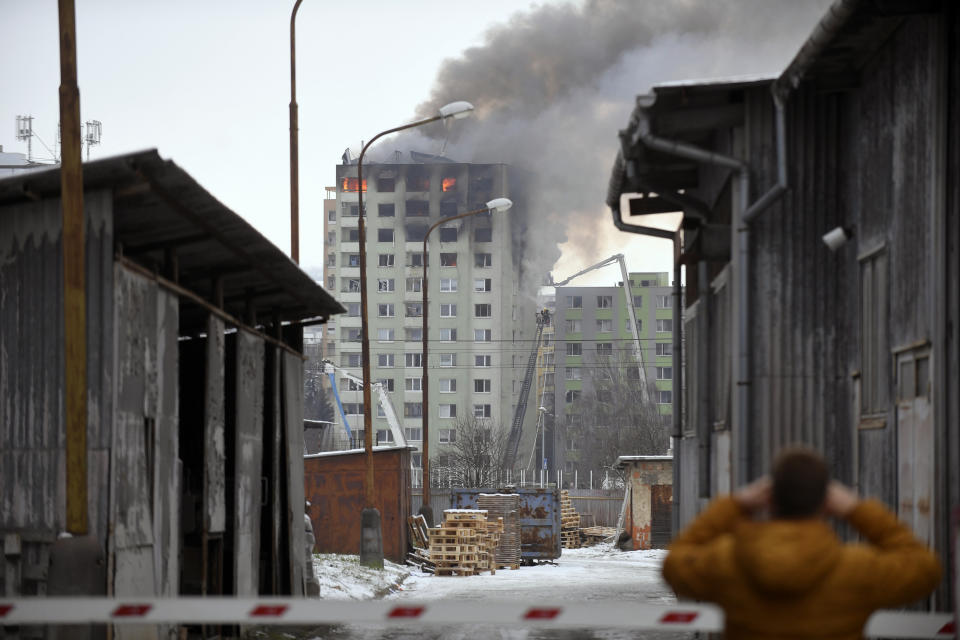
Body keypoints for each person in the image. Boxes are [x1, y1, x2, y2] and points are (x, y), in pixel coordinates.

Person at [662, 447, 941, 639]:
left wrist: (734, 504)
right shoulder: (856, 569)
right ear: (826, 504)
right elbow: (925, 569)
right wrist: (857, 510)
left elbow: (674, 564)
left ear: (769, 500)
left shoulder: (729, 563)